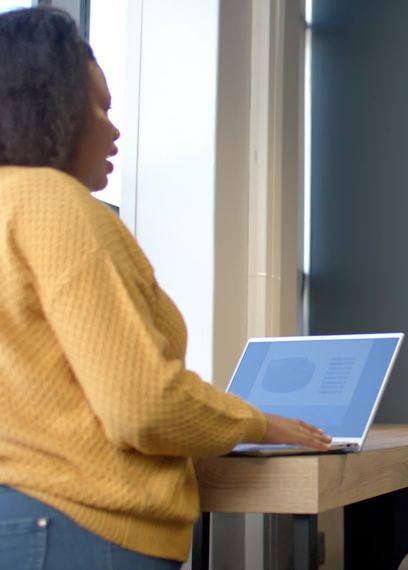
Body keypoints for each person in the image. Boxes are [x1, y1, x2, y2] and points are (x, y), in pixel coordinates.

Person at [0, 8, 331, 568]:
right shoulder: (55, 205)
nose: (114, 127)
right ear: (49, 106)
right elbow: (143, 405)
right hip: (83, 529)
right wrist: (258, 422)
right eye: (98, 105)